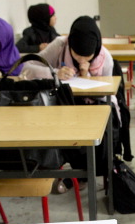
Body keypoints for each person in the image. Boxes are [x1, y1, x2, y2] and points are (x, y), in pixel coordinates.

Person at [21, 15, 119, 192]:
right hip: (65, 105)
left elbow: (106, 93)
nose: (82, 60)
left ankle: (90, 173)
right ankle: (76, 172)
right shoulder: (60, 45)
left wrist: (87, 75)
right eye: (77, 55)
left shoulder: (106, 58)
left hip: (94, 105)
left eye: (87, 57)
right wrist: (54, 72)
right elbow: (27, 66)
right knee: (61, 125)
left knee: (103, 128)